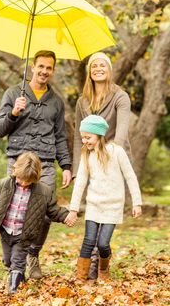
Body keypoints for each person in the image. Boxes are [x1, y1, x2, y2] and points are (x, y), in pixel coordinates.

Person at [0, 50, 72, 279]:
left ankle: (33, 255)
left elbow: (60, 136)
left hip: (46, 163)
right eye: (41, 66)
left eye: (49, 68)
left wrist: (66, 165)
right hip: (18, 163)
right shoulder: (12, 93)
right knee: (10, 210)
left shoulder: (56, 102)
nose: (44, 71)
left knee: (46, 213)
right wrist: (14, 113)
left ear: (53, 70)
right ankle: (11, 258)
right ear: (32, 67)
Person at [0, 152, 75, 294]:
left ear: (36, 177)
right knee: (8, 261)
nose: (24, 183)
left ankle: (13, 290)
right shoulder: (3, 184)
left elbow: (53, 210)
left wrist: (65, 216)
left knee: (17, 261)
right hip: (6, 230)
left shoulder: (43, 191)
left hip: (24, 233)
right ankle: (20, 277)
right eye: (21, 179)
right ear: (15, 171)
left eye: (28, 181)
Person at [65, 115, 142, 282]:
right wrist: (73, 209)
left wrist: (137, 202)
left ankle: (103, 268)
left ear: (99, 135)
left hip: (112, 207)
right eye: (82, 137)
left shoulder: (117, 151)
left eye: (88, 137)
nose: (84, 141)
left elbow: (130, 177)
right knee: (89, 240)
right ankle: (82, 277)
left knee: (102, 243)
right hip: (93, 205)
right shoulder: (87, 155)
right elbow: (80, 184)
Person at [73, 51, 131, 177]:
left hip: (115, 160)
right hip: (90, 161)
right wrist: (77, 171)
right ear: (89, 72)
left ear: (109, 70)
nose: (98, 69)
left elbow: (121, 134)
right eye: (94, 66)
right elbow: (78, 137)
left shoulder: (120, 97)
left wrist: (109, 162)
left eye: (102, 65)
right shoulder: (82, 101)